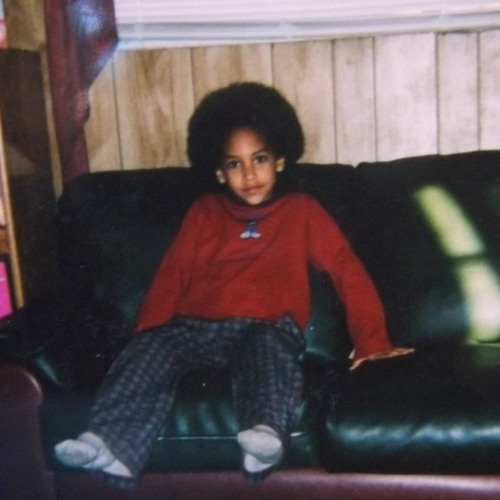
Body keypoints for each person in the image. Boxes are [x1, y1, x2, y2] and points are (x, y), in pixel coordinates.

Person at [54, 82, 413, 487]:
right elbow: (173, 274)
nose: (249, 174)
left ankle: (264, 436)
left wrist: (372, 341)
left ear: (280, 160)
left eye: (259, 159)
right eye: (234, 164)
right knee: (151, 348)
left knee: (271, 353)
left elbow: (347, 270)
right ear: (219, 172)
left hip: (266, 327)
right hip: (194, 328)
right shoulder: (205, 211)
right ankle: (108, 445)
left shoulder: (302, 211)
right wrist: (147, 336)